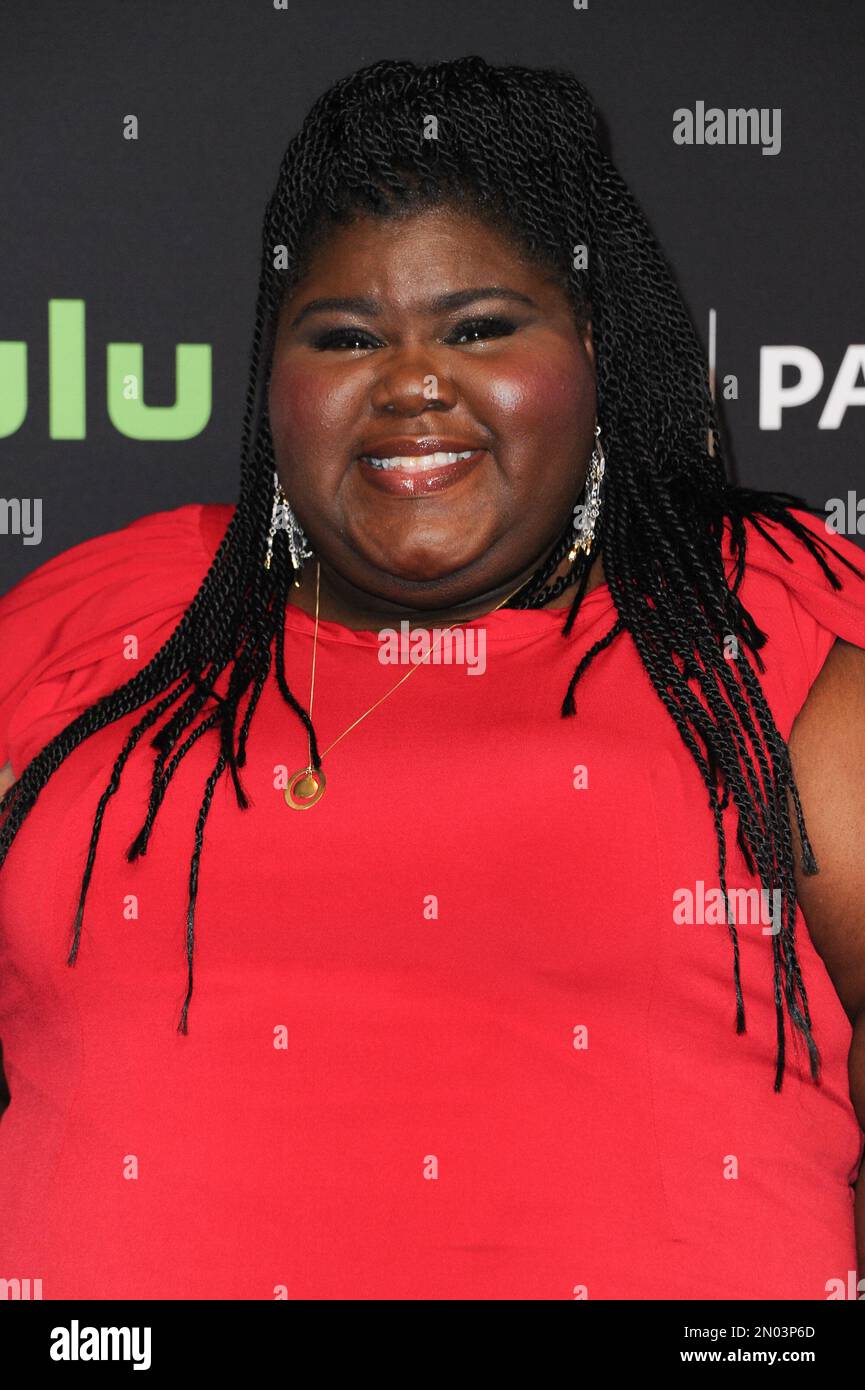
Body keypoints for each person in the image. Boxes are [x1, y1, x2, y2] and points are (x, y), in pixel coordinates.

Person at [1, 54, 864, 1301]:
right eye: (346, 336)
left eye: (479, 327)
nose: (412, 382)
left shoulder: (755, 629)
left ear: (595, 351)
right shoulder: (96, 627)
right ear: (272, 382)